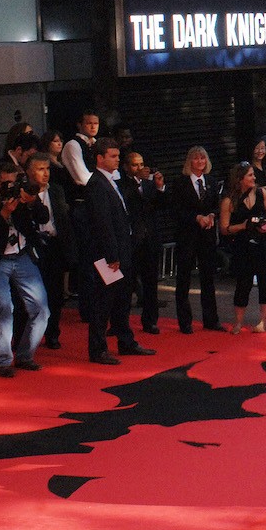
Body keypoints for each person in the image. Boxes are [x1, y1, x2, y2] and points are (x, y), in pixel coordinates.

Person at [0, 160, 51, 377]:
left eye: (14, 182)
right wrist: (4, 213)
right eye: (6, 183)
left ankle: (25, 355)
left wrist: (31, 202)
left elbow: (43, 217)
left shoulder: (22, 195)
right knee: (3, 308)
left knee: (41, 308)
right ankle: (2, 361)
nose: (11, 187)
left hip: (22, 256)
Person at [84, 139, 153, 364]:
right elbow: (102, 223)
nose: (117, 159)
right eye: (112, 156)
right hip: (108, 255)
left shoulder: (112, 182)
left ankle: (126, 341)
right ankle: (98, 349)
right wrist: (112, 256)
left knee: (122, 300)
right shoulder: (96, 184)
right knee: (103, 303)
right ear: (100, 158)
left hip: (122, 251)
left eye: (117, 156)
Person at [221, 163, 266, 333]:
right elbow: (224, 228)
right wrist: (243, 226)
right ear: (240, 179)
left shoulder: (262, 193)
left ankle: (263, 321)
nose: (254, 178)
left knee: (265, 281)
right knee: (243, 283)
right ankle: (238, 322)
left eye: (253, 175)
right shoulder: (229, 200)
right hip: (242, 245)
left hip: (264, 243)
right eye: (250, 175)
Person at [172, 146, 222, 333]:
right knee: (184, 279)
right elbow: (176, 211)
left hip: (207, 237)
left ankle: (211, 320)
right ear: (189, 161)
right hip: (187, 237)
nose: (200, 162)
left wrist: (211, 215)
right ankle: (185, 322)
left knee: (208, 279)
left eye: (203, 158)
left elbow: (217, 205)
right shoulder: (180, 183)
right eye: (196, 158)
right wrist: (196, 218)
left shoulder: (211, 181)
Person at [25, 152, 72, 350]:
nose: (45, 174)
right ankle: (29, 334)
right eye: (40, 169)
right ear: (29, 172)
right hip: (32, 246)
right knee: (32, 294)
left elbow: (63, 220)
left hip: (54, 245)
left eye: (47, 169)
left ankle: (52, 333)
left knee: (55, 293)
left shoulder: (57, 191)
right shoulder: (25, 192)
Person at [120, 151, 166, 334]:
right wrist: (137, 180)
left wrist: (161, 187)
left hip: (150, 239)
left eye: (141, 164)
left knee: (150, 283)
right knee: (126, 284)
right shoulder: (121, 184)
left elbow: (161, 205)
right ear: (126, 167)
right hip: (132, 240)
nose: (139, 168)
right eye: (134, 165)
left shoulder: (149, 184)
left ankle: (150, 321)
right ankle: (120, 322)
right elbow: (126, 200)